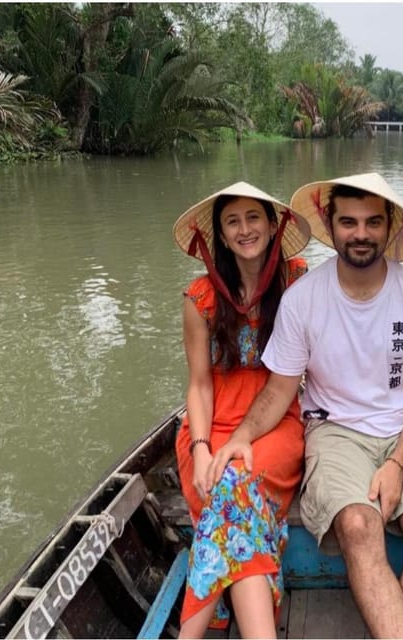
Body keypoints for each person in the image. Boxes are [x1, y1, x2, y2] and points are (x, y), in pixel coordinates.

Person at [207, 173, 403, 638]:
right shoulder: (304, 299)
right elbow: (280, 390)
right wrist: (241, 436)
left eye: (372, 222)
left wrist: (399, 465)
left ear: (391, 226)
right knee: (356, 524)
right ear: (331, 224)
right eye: (348, 222)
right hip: (336, 431)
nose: (360, 233)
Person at [171, 182, 311, 638]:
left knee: (235, 487)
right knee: (226, 486)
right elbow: (198, 384)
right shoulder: (201, 298)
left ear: (273, 226)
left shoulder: (298, 281)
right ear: (222, 236)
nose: (245, 229)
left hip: (275, 422)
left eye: (254, 218)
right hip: (210, 426)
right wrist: (201, 446)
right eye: (233, 221)